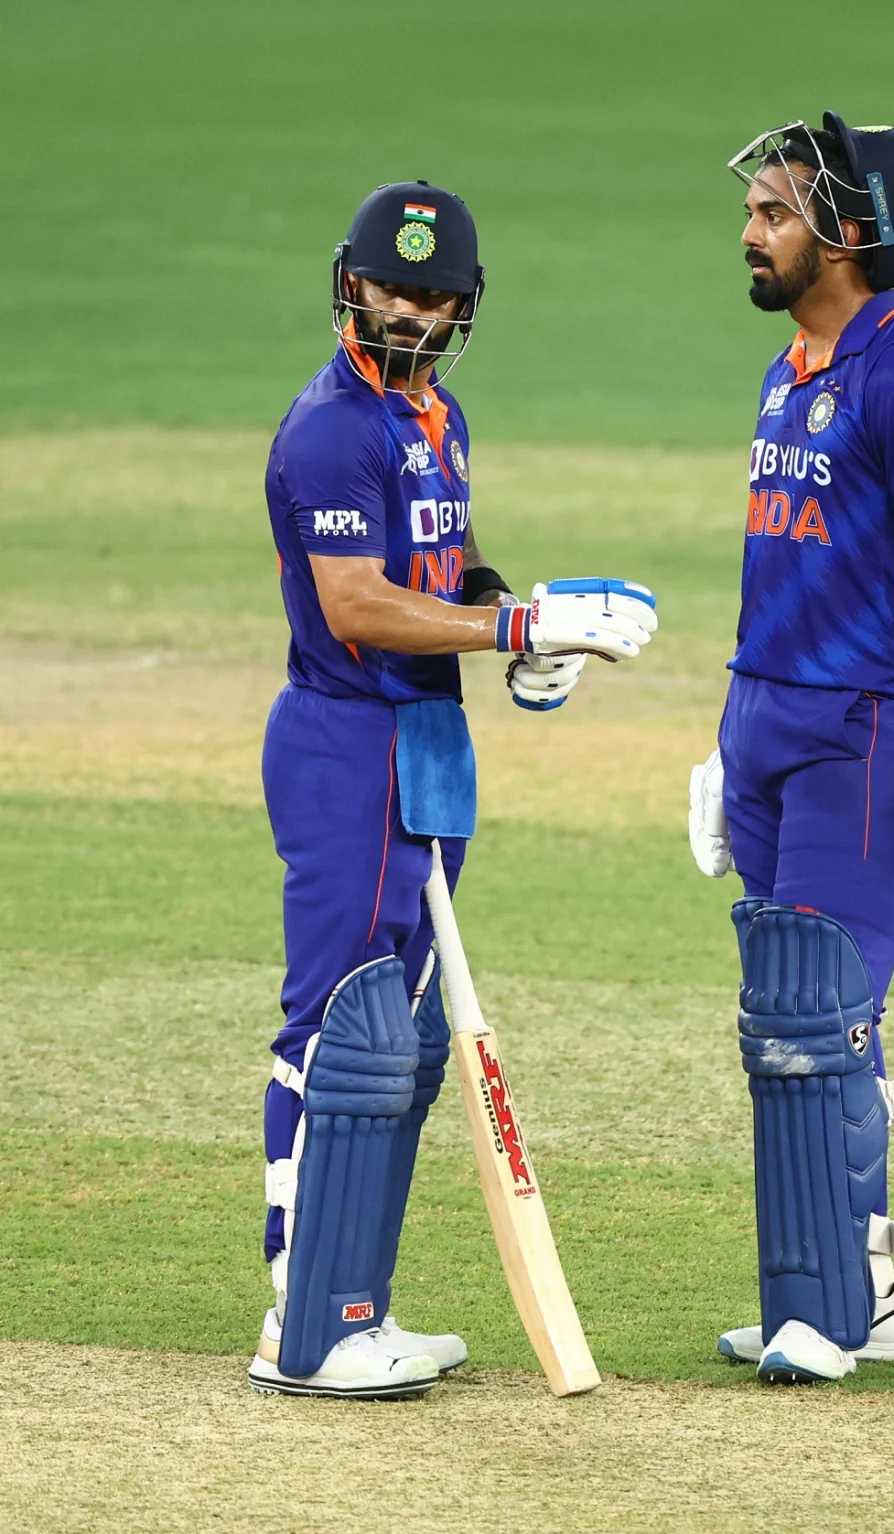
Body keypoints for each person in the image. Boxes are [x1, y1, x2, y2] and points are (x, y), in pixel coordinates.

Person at [248, 180, 657, 1399]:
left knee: (404, 1038)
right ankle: (301, 1314)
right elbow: (357, 602)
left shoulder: (438, 418)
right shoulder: (332, 427)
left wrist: (517, 625)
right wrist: (516, 622)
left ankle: (353, 1302)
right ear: (349, 283)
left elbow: (439, 567)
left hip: (426, 735)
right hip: (347, 739)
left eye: (434, 295)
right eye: (392, 288)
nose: (410, 313)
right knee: (341, 1024)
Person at [688, 116, 894, 1383]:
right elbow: (779, 558)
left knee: (819, 1021)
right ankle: (857, 1289)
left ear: (849, 234)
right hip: (765, 720)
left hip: (858, 732)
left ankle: (827, 1308)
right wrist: (726, 739)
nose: (749, 230)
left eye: (773, 212)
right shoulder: (789, 365)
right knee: (789, 1020)